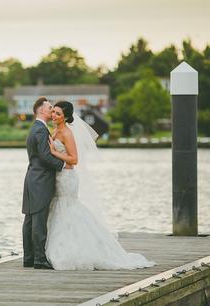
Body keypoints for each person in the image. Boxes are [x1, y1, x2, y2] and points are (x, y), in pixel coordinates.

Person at [45, 101, 155, 270]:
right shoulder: (55, 130)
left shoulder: (66, 133)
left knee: (68, 208)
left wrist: (54, 152)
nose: (54, 115)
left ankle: (77, 249)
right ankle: (62, 245)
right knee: (60, 208)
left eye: (58, 114)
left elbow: (74, 160)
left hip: (67, 178)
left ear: (66, 117)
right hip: (59, 176)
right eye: (53, 112)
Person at [22, 97, 69, 269]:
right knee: (39, 220)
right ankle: (40, 259)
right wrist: (63, 165)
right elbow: (44, 155)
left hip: (32, 178)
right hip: (40, 179)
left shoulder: (35, 128)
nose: (52, 110)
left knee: (30, 219)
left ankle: (29, 258)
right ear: (41, 110)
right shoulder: (41, 131)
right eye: (50, 108)